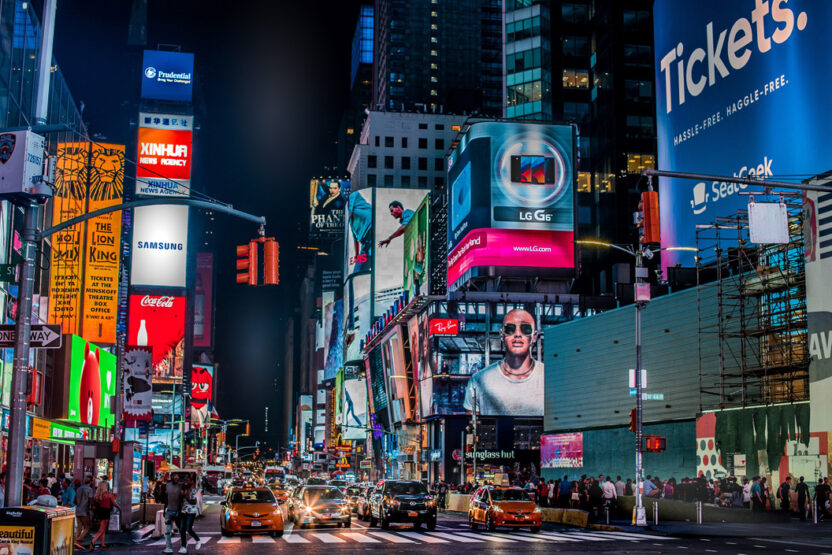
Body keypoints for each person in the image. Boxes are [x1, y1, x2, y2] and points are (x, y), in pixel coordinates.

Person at [463, 309, 544, 416]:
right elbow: (471, 427)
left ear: (534, 336)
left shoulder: (550, 378)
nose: (518, 334)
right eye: (510, 329)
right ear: (502, 335)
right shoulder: (478, 380)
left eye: (525, 329)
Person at [89, 481, 116, 550]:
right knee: (101, 530)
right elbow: (114, 503)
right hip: (105, 512)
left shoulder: (97, 495)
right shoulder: (108, 494)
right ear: (105, 487)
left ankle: (102, 543)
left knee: (103, 529)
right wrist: (119, 508)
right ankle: (93, 541)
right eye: (107, 485)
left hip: (99, 513)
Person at [177, 477, 201, 553]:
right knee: (182, 529)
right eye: (185, 480)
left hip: (191, 512)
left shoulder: (194, 490)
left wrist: (187, 498)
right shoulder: (184, 490)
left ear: (192, 482)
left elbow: (194, 502)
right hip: (184, 511)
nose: (186, 482)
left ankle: (197, 540)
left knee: (188, 529)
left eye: (187, 480)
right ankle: (183, 546)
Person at [164, 474, 183, 554]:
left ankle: (183, 546)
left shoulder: (181, 486)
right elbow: (166, 498)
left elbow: (182, 498)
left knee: (181, 530)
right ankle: (168, 547)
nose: (176, 478)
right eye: (174, 476)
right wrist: (164, 509)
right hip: (169, 510)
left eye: (177, 476)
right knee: (167, 530)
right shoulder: (167, 486)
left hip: (179, 511)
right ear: (171, 477)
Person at [75, 476, 94, 550]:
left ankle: (77, 542)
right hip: (85, 510)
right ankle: (79, 539)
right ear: (91, 482)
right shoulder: (90, 489)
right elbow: (90, 500)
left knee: (79, 527)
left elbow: (75, 501)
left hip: (78, 510)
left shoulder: (78, 489)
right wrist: (92, 506)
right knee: (87, 526)